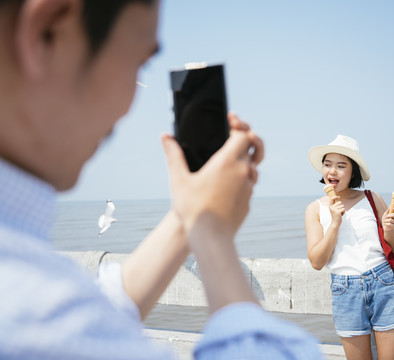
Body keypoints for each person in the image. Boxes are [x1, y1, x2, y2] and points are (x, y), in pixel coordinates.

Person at [0, 0, 323, 359]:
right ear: (45, 32)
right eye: (139, 62)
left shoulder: (35, 292)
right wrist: (211, 229)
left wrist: (190, 212)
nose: (129, 104)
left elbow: (93, 312)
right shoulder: (36, 323)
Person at [304, 135, 394, 360]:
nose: (333, 171)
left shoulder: (372, 198)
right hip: (345, 289)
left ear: (353, 172)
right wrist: (334, 223)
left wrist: (389, 230)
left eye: (341, 166)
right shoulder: (315, 209)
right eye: (327, 164)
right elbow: (317, 262)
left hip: (383, 284)